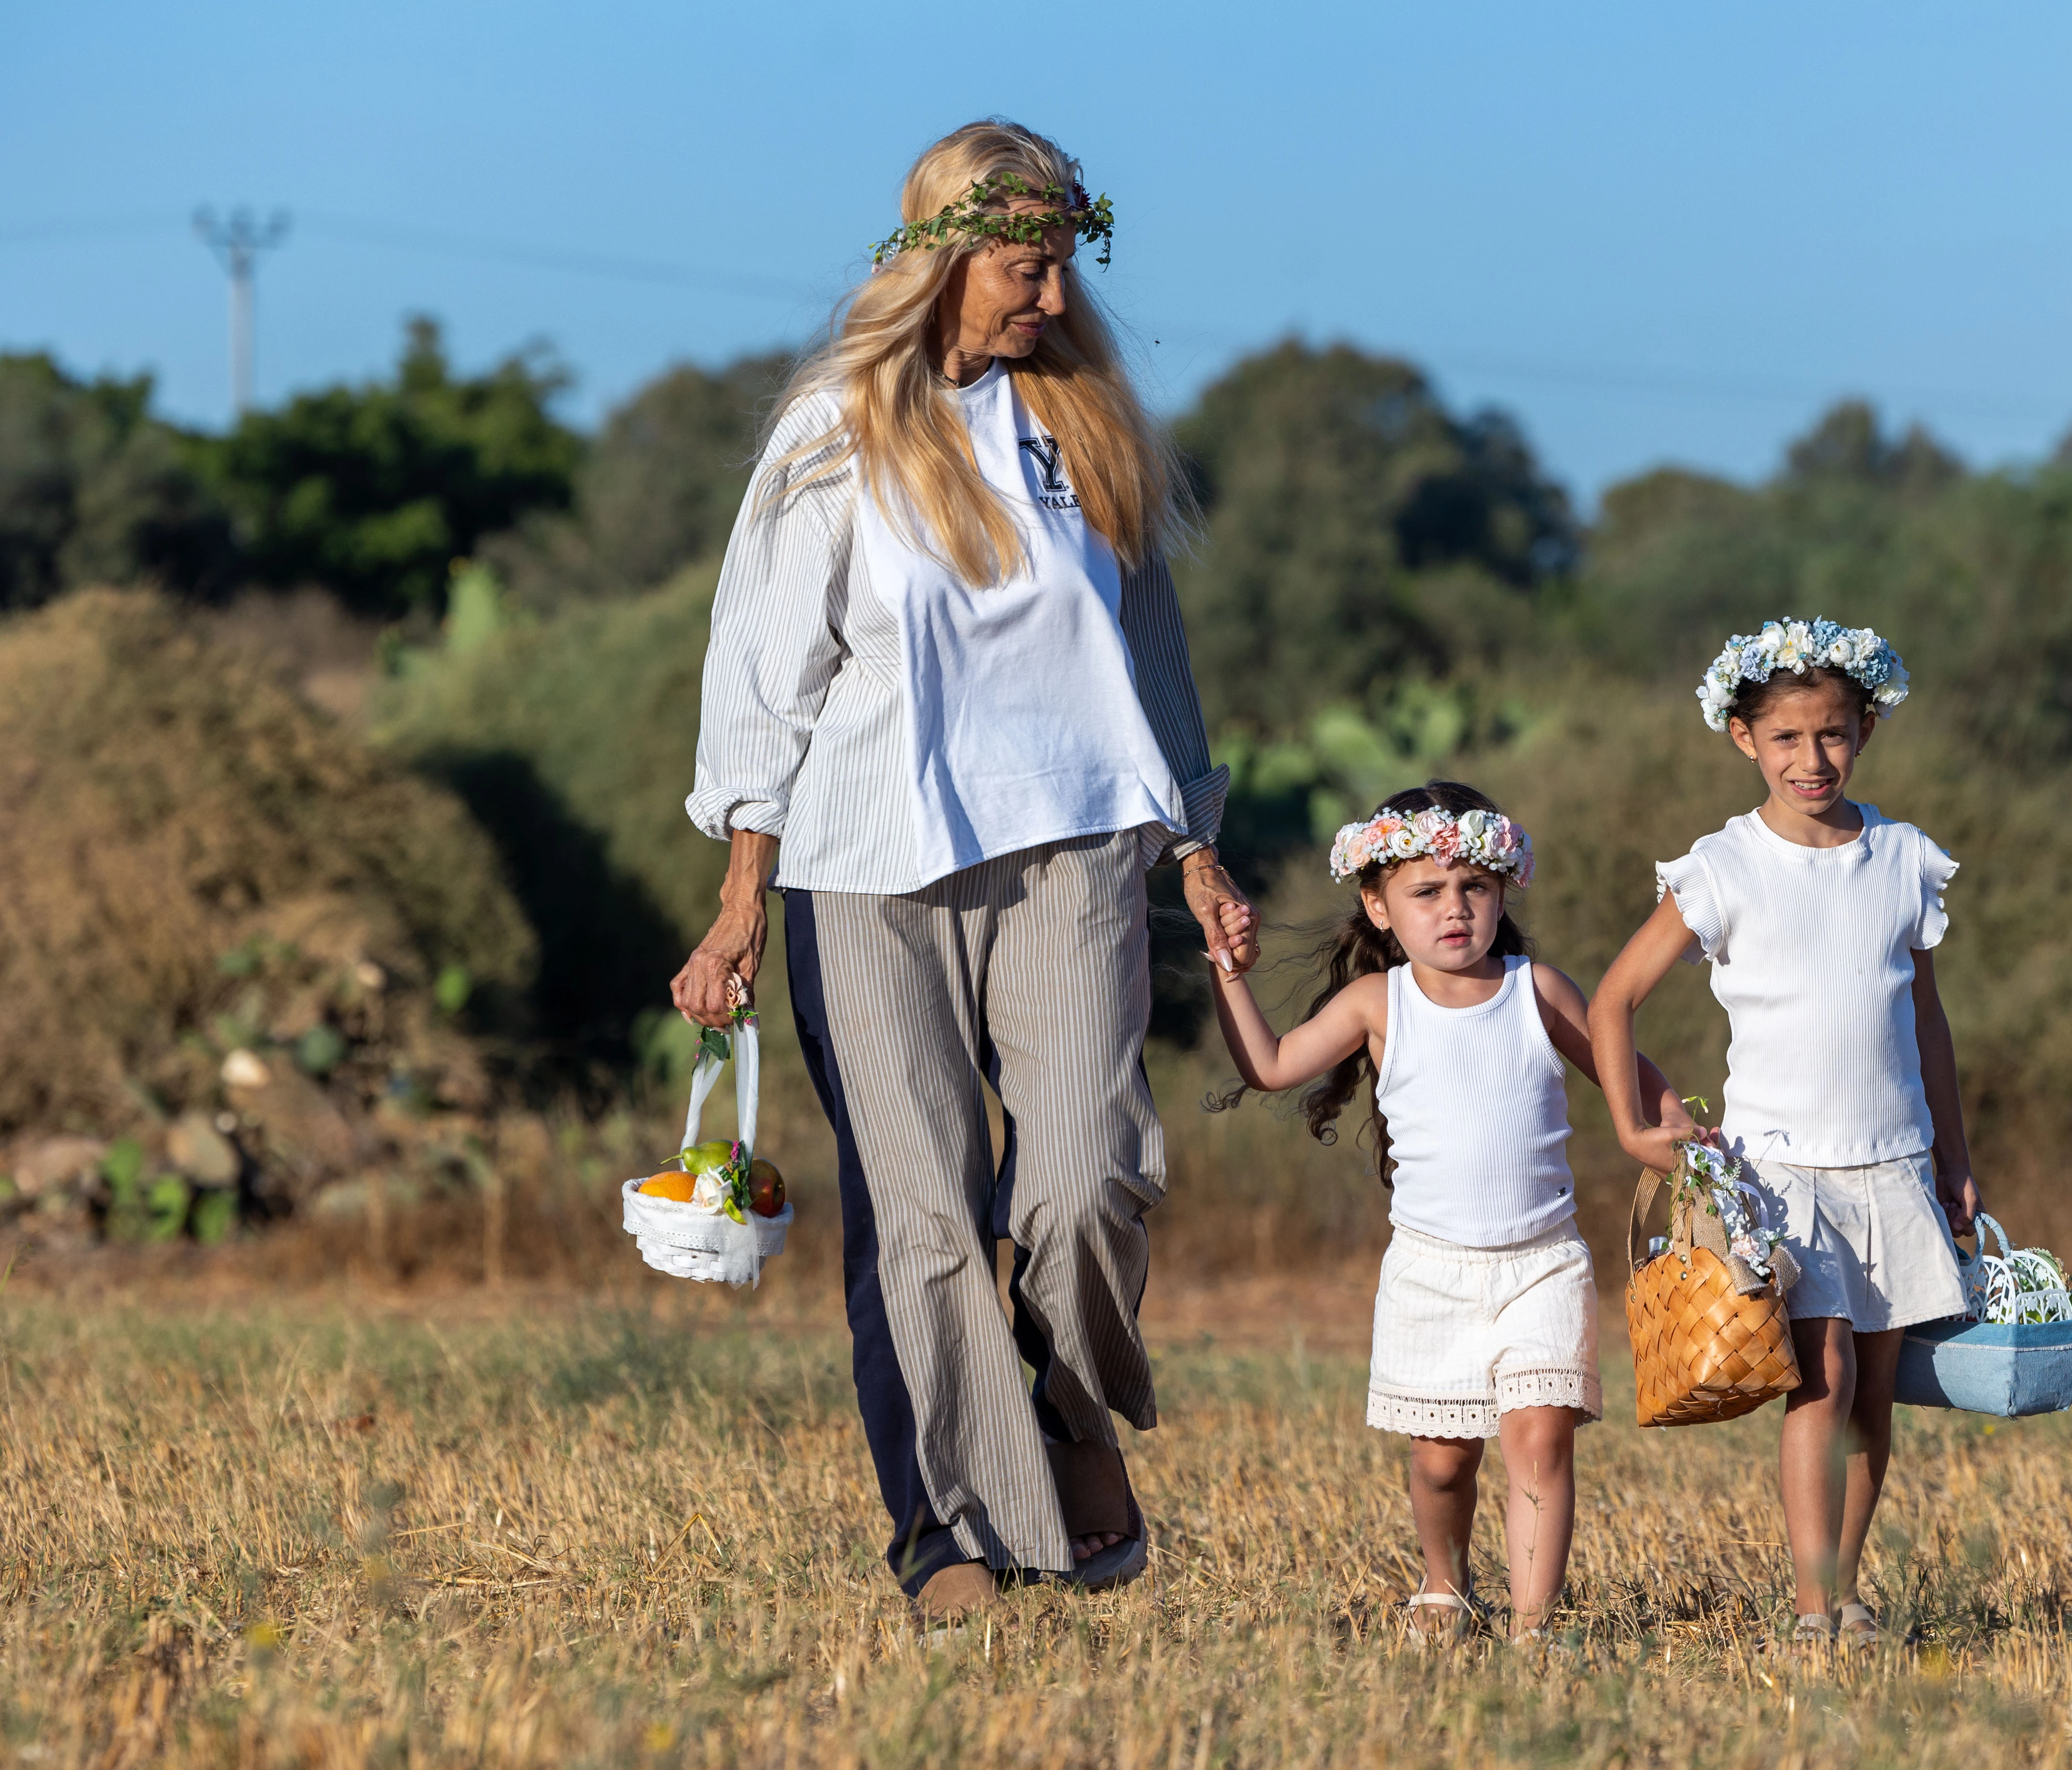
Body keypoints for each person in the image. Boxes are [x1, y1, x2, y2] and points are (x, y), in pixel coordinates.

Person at [668, 119, 1256, 1625]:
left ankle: (1066, 1417)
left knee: (1084, 1182)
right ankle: (953, 1538)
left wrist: (1194, 841)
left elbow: (1151, 652)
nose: (1052, 297)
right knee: (925, 1216)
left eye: (1063, 262)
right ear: (942, 256)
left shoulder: (1091, 426)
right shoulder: (837, 424)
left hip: (1071, 857)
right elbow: (764, 672)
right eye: (1024, 264)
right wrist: (741, 896)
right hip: (865, 868)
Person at [1200, 782, 1698, 1643]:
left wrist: (1674, 1122)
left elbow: (1623, 1063)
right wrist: (1229, 976)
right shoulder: (1377, 1004)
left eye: (1474, 887)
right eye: (1426, 892)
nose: (1454, 909)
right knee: (1441, 1464)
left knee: (1540, 1445)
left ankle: (1535, 1627)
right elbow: (1272, 1066)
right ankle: (1446, 1582)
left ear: (1504, 890)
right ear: (1379, 907)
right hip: (1430, 1273)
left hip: (1542, 1262)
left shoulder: (1537, 989)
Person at [1586, 620, 1979, 1655]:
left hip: (1892, 1159)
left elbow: (1925, 1023)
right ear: (1742, 740)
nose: (1813, 760)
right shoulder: (1723, 866)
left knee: (1876, 1399)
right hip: (1781, 1170)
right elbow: (1614, 999)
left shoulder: (1901, 859)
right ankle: (1813, 1613)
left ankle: (1847, 1593)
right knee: (1825, 1377)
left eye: (1836, 735)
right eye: (1788, 739)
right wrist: (1637, 1124)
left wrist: (1955, 1155)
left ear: (1867, 729)